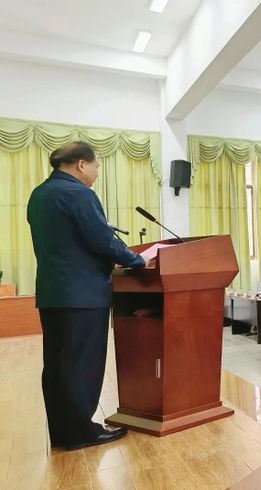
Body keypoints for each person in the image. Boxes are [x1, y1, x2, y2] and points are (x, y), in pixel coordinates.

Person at [27, 141, 147, 450]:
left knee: (56, 364)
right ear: (81, 164)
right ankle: (81, 431)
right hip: (83, 296)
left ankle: (63, 431)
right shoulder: (79, 194)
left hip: (53, 294)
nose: (95, 173)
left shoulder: (39, 195)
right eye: (95, 167)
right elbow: (102, 239)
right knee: (82, 365)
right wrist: (138, 260)